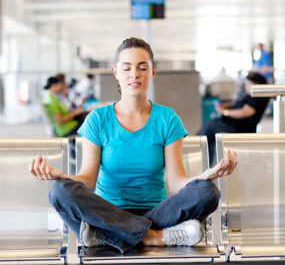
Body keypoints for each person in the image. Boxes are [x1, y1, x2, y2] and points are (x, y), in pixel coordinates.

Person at [30, 38, 237, 254]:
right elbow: (87, 181)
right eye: (126, 67)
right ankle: (154, 237)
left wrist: (206, 175)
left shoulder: (167, 118)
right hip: (105, 211)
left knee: (208, 191)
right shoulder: (98, 119)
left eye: (142, 67)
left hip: (158, 213)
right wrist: (60, 176)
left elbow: (176, 185)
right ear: (116, 71)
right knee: (60, 191)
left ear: (152, 72)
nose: (134, 74)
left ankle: (108, 235)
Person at [198, 71, 269, 164]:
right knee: (208, 129)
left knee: (209, 128)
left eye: (248, 84)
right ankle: (204, 160)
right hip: (233, 124)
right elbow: (238, 107)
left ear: (256, 84)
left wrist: (225, 112)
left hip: (241, 128)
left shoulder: (258, 97)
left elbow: (245, 112)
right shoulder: (249, 95)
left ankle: (203, 162)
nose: (246, 86)